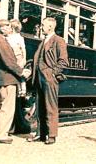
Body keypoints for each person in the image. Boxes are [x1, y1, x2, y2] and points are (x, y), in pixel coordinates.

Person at [27, 17, 69, 145]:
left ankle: (51, 135)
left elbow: (63, 61)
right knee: (40, 106)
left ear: (50, 27)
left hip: (48, 78)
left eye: (43, 25)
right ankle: (41, 134)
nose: (41, 27)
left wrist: (52, 73)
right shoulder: (44, 41)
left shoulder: (58, 40)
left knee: (50, 107)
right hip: (39, 78)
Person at [0, 19, 31, 144]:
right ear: (2, 28)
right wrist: (21, 71)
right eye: (8, 27)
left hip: (1, 78)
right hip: (7, 78)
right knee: (7, 107)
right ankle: (1, 134)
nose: (10, 29)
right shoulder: (1, 41)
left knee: (1, 106)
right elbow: (9, 61)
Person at [7, 19, 27, 97]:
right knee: (17, 74)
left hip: (18, 57)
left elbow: (23, 49)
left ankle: (22, 89)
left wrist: (24, 59)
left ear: (12, 28)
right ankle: (19, 89)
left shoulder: (18, 37)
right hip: (13, 57)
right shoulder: (10, 37)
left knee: (19, 73)